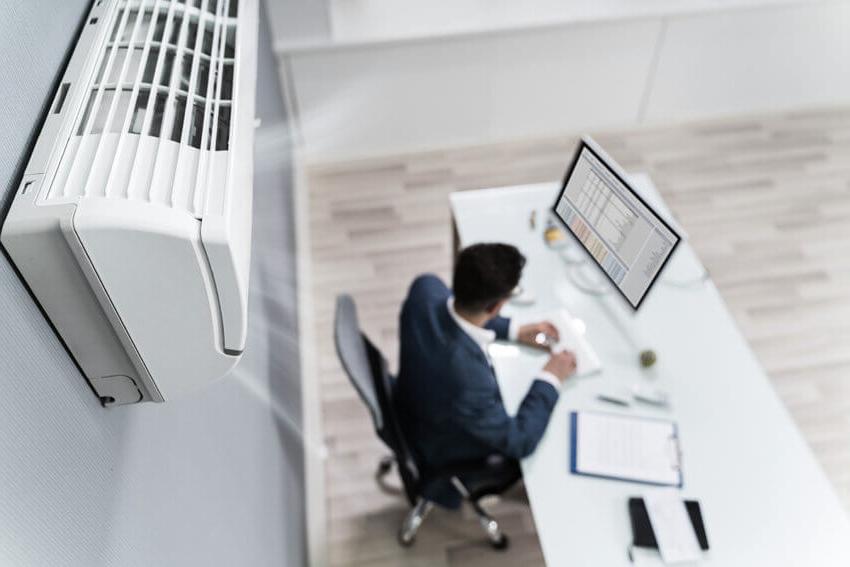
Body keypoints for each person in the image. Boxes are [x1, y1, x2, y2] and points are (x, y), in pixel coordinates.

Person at [395, 242, 577, 508]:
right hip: (441, 444)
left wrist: (514, 330)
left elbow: (459, 311)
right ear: (495, 307)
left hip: (412, 399)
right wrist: (551, 377)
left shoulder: (425, 288)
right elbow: (519, 441)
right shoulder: (468, 381)